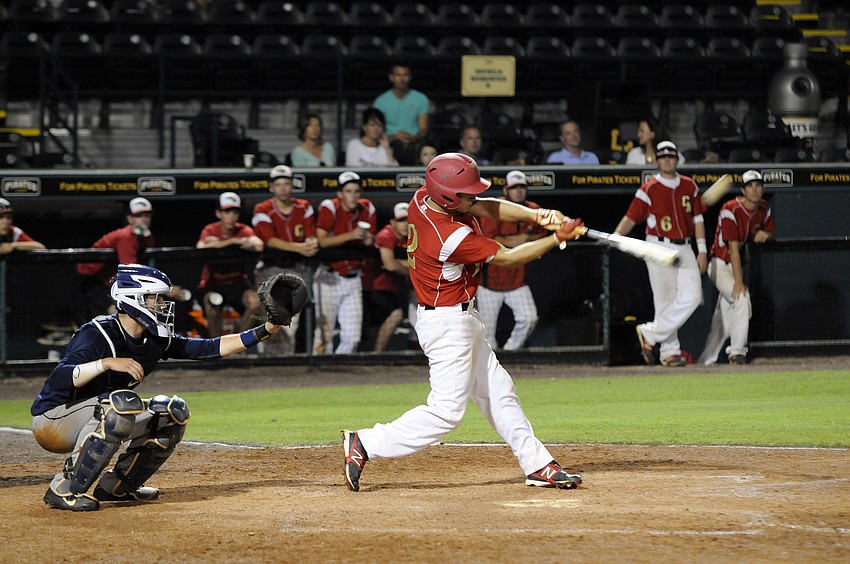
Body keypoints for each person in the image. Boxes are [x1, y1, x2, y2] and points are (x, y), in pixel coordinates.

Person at [342, 152, 585, 492]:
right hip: (447, 325)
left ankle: (538, 464)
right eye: (466, 193)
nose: (473, 197)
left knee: (500, 394)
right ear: (448, 195)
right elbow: (508, 257)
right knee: (446, 413)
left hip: (462, 317)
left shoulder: (423, 199)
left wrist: (538, 215)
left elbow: (487, 207)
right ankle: (366, 443)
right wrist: (557, 238)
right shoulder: (447, 237)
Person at [31, 263, 283, 511]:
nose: (162, 305)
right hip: (54, 418)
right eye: (155, 298)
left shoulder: (153, 337)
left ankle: (117, 486)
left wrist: (266, 330)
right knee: (121, 404)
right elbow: (59, 378)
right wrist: (106, 363)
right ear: (133, 299)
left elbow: (208, 347)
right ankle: (64, 489)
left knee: (172, 412)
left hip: (98, 415)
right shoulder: (97, 333)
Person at [614, 141, 708, 367]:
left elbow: (698, 220)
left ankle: (650, 333)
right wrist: (616, 236)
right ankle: (669, 352)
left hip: (685, 246)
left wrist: (702, 250)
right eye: (663, 157)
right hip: (658, 246)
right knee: (665, 299)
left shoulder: (689, 186)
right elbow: (631, 217)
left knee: (694, 297)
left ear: (677, 159)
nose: (667, 160)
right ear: (657, 160)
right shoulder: (649, 188)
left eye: (671, 156)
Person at [698, 170, 775, 365]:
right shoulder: (729, 208)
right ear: (743, 190)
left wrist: (765, 233)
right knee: (742, 299)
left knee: (721, 322)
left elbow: (769, 231)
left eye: (758, 185)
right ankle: (737, 353)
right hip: (719, 264)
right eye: (750, 186)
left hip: (734, 266)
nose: (755, 190)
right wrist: (739, 283)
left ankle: (705, 362)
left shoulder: (764, 208)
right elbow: (733, 248)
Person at [77, 198, 182, 320]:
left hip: (112, 279)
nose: (144, 219)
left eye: (147, 215)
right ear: (130, 219)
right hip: (93, 280)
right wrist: (167, 288)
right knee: (114, 319)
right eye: (139, 216)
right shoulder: (126, 236)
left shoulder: (147, 236)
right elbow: (130, 271)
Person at [252, 165, 319, 354]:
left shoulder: (303, 206)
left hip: (296, 269)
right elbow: (270, 241)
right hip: (270, 268)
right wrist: (300, 248)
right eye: (278, 184)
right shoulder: (262, 208)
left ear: (292, 185)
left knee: (292, 320)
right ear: (272, 187)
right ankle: (265, 358)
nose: (282, 188)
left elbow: (311, 235)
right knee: (270, 316)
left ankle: (285, 362)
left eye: (286, 184)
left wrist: (312, 243)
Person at [477, 171, 544, 350]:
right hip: (490, 283)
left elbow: (541, 236)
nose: (519, 191)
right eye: (514, 188)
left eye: (522, 187)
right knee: (486, 335)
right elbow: (489, 239)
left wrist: (524, 239)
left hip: (517, 280)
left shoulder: (534, 210)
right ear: (506, 190)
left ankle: (510, 351)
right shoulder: (494, 207)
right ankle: (488, 369)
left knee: (529, 318)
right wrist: (516, 240)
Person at [313, 171, 377, 354]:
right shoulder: (330, 207)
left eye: (356, 191)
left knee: (353, 336)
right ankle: (320, 374)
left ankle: (339, 375)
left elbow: (372, 238)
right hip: (329, 277)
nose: (353, 195)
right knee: (324, 333)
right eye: (348, 191)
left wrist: (368, 239)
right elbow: (322, 241)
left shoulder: (366, 208)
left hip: (353, 279)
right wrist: (351, 235)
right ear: (340, 194)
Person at [195, 192, 264, 337]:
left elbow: (259, 245)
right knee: (212, 307)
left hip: (237, 282)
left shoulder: (243, 229)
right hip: (213, 282)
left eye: (235, 212)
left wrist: (248, 243)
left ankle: (237, 345)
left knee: (255, 303)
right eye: (227, 212)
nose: (231, 216)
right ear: (219, 213)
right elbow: (200, 247)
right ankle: (218, 351)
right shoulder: (210, 229)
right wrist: (232, 242)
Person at [361, 202, 411, 352]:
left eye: (408, 220)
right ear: (392, 222)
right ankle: (377, 355)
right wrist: (418, 271)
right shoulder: (386, 234)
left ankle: (373, 355)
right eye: (401, 220)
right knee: (396, 315)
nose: (406, 224)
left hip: (389, 286)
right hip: (373, 285)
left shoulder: (413, 236)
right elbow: (390, 265)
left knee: (377, 327)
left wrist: (404, 264)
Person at [372, 61, 430, 165]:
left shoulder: (421, 99)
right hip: (389, 145)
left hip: (414, 145)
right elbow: (376, 130)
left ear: (410, 77)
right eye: (398, 75)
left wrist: (413, 138)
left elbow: (423, 129)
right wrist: (394, 138)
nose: (402, 79)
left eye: (405, 75)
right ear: (391, 77)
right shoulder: (380, 101)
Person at [626, 118, 718, 165]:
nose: (638, 134)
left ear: (653, 134)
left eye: (642, 131)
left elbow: (686, 172)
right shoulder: (634, 154)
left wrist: (704, 163)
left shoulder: (671, 152)